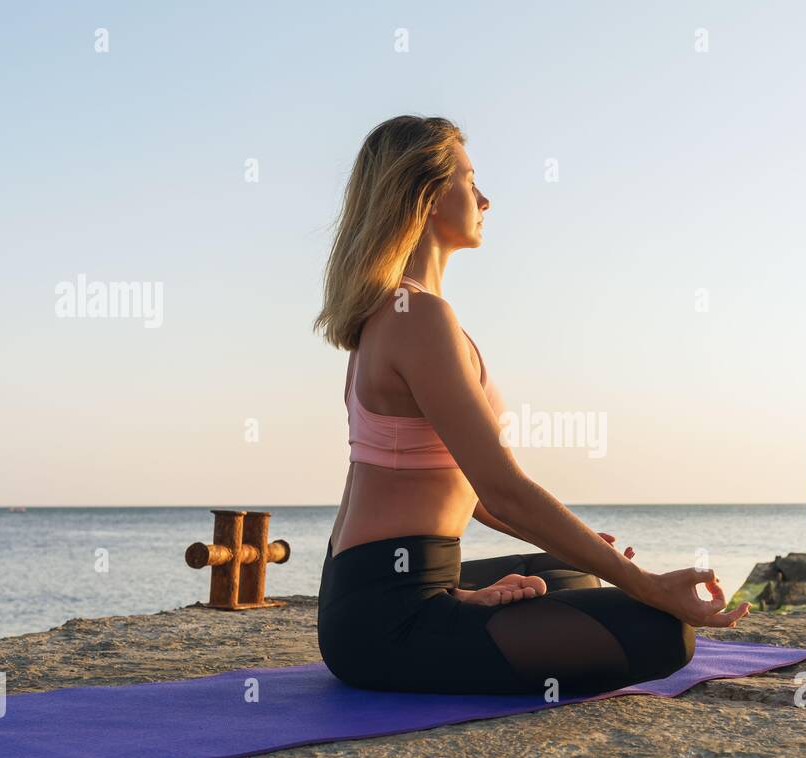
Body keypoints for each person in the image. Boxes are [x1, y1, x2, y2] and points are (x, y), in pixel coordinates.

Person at [313, 115, 750, 696]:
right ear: (428, 193)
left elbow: (463, 489)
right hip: (386, 620)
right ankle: (447, 617)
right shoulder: (416, 318)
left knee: (571, 578)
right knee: (662, 635)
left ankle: (458, 605)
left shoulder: (396, 314)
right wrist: (647, 583)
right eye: (471, 181)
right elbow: (504, 491)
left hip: (374, 591)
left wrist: (584, 551)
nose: (486, 198)